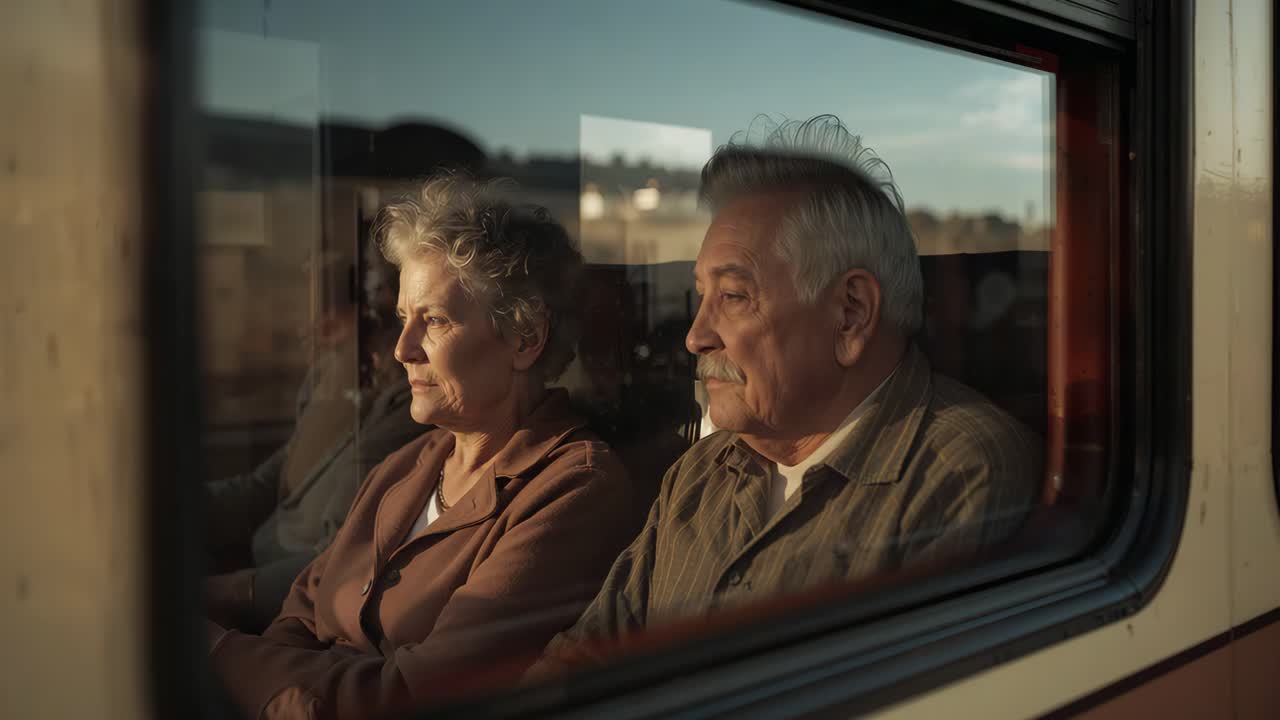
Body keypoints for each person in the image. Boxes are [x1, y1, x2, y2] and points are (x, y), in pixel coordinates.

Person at [533, 115, 1041, 673]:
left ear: (850, 315)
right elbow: (581, 661)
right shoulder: (702, 470)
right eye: (699, 296)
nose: (694, 335)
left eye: (731, 296)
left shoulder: (962, 477)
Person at [207, 176, 637, 719]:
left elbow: (414, 696)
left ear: (525, 338)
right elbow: (300, 614)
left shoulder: (574, 491)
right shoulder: (409, 465)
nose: (403, 348)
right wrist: (280, 695)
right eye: (402, 319)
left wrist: (219, 652)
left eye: (433, 320)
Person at [203, 272, 423, 632]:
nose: (308, 328)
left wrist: (236, 590)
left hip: (287, 593)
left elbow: (344, 554)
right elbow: (266, 483)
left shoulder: (407, 412)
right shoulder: (338, 385)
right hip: (261, 558)